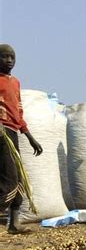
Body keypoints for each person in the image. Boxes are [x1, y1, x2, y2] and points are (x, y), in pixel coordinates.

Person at [0, 44, 43, 233]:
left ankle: (14, 223)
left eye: (12, 57)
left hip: (13, 132)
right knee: (9, 178)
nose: (9, 60)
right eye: (4, 57)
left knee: (18, 177)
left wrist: (29, 136)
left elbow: (18, 111)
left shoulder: (15, 82)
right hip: (1, 133)